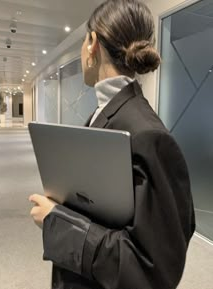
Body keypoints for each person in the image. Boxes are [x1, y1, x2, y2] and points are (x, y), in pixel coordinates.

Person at [29, 0, 196, 288]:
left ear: (92, 43)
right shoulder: (103, 114)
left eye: (83, 40)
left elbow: (153, 270)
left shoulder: (149, 136)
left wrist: (58, 222)